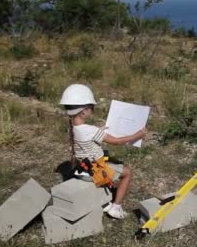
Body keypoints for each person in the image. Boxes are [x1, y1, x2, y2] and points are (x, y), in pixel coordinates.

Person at [59, 84, 147, 219]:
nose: (93, 110)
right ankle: (116, 208)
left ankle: (104, 201)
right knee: (127, 173)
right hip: (95, 171)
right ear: (83, 111)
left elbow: (87, 138)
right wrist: (138, 135)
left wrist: (99, 131)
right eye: (91, 107)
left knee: (109, 161)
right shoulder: (90, 130)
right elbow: (117, 142)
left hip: (83, 168)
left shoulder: (71, 128)